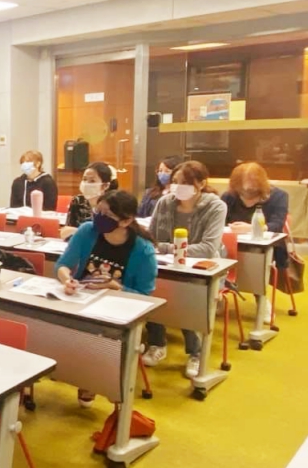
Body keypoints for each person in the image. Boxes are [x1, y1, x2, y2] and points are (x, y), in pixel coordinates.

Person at [57, 190, 158, 407]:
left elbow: (145, 297)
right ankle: (84, 377)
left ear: (126, 221)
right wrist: (67, 280)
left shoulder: (143, 251)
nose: (99, 218)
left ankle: (101, 382)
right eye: (98, 211)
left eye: (107, 215)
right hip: (80, 299)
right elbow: (63, 265)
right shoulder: (87, 231)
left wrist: (115, 286)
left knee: (100, 339)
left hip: (117, 310)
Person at [143, 160, 227, 376]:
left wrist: (165, 248)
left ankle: (196, 353)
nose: (178, 187)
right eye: (175, 181)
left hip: (203, 270)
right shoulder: (164, 203)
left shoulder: (216, 206)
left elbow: (207, 248)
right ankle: (157, 343)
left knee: (184, 294)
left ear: (201, 184)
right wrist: (164, 250)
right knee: (149, 285)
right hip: (166, 265)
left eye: (185, 182)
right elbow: (151, 238)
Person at [222, 162, 290, 322]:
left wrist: (252, 228)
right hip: (231, 244)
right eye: (242, 185)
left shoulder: (278, 196)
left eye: (252, 184)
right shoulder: (229, 196)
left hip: (267, 247)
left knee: (256, 261)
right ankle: (217, 295)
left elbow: (277, 225)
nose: (247, 189)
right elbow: (218, 221)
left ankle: (261, 299)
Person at [61, 162, 117, 239]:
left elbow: (109, 236)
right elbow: (65, 232)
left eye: (92, 181)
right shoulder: (78, 201)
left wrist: (79, 231)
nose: (86, 184)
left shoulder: (112, 205)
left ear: (105, 186)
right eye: (84, 179)